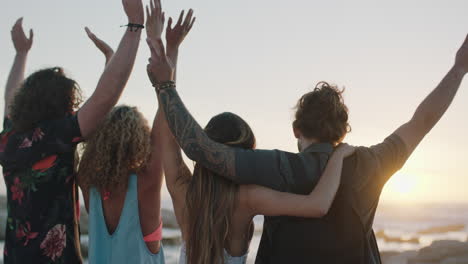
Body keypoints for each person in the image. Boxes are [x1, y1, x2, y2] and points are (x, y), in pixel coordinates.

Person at [147, 21, 468, 263]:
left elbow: (199, 149)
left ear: (297, 129)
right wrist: (458, 69)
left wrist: (165, 84)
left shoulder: (273, 167)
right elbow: (422, 122)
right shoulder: (372, 162)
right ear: (342, 131)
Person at [146, 10, 354, 264]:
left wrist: (169, 57)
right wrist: (339, 155)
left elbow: (169, 124)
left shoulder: (184, 193)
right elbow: (318, 205)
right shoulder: (247, 198)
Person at [0, 0, 144, 262]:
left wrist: (21, 54)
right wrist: (134, 26)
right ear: (59, 105)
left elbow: (9, 98)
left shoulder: (10, 139)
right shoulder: (56, 135)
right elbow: (104, 99)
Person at [77, 2, 165, 263]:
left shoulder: (86, 181)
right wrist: (159, 43)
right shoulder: (147, 184)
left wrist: (110, 64)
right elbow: (165, 117)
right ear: (141, 141)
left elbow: (97, 117)